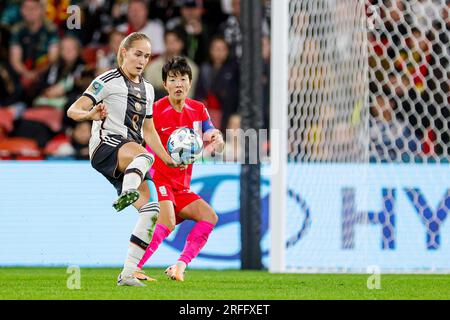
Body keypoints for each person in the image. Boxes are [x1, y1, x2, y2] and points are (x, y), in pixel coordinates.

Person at [67, 32, 180, 287]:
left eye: (147, 56)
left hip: (131, 158)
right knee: (142, 155)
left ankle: (128, 273)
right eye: (138, 54)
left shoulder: (149, 89)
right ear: (123, 53)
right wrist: (92, 115)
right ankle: (126, 191)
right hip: (106, 147)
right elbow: (73, 110)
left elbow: (148, 131)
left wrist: (168, 160)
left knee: (152, 212)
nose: (142, 60)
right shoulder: (105, 81)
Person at [135, 56, 224, 281]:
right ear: (165, 84)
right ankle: (134, 267)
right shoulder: (154, 110)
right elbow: (141, 140)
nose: (178, 84)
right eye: (173, 80)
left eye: (183, 79)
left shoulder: (198, 109)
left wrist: (217, 138)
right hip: (159, 179)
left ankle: (180, 266)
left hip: (181, 185)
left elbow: (210, 132)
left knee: (209, 217)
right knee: (167, 222)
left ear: (190, 82)